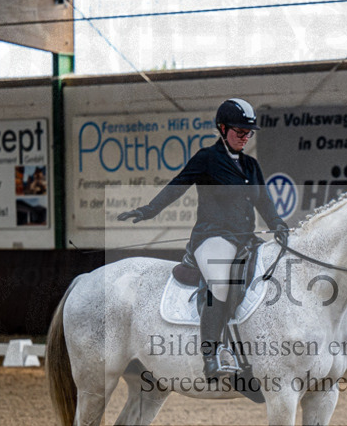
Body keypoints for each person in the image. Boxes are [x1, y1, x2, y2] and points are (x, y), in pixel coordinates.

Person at [118, 98, 289, 380]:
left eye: (248, 133)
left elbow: (265, 202)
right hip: (213, 237)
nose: (245, 137)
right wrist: (148, 210)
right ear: (222, 129)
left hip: (246, 240)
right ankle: (210, 355)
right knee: (222, 283)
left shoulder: (251, 165)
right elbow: (178, 186)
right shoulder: (207, 158)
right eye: (239, 132)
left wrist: (278, 224)